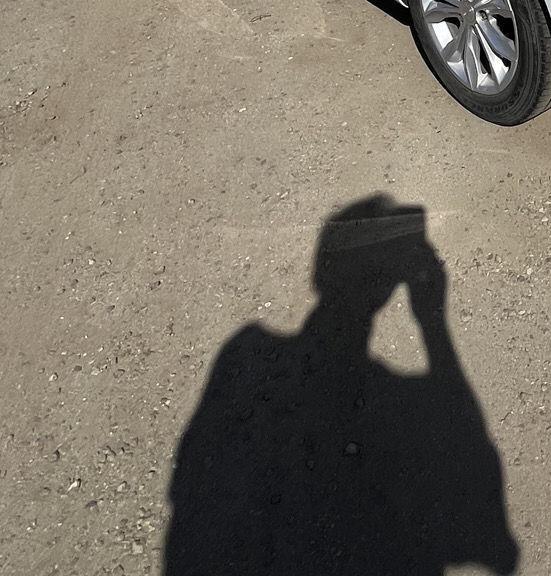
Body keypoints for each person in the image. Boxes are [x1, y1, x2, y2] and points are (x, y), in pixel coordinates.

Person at [164, 196, 519, 575]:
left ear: (320, 274)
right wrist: (433, 324)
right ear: (388, 288)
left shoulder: (247, 356)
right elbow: (492, 541)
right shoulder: (402, 410)